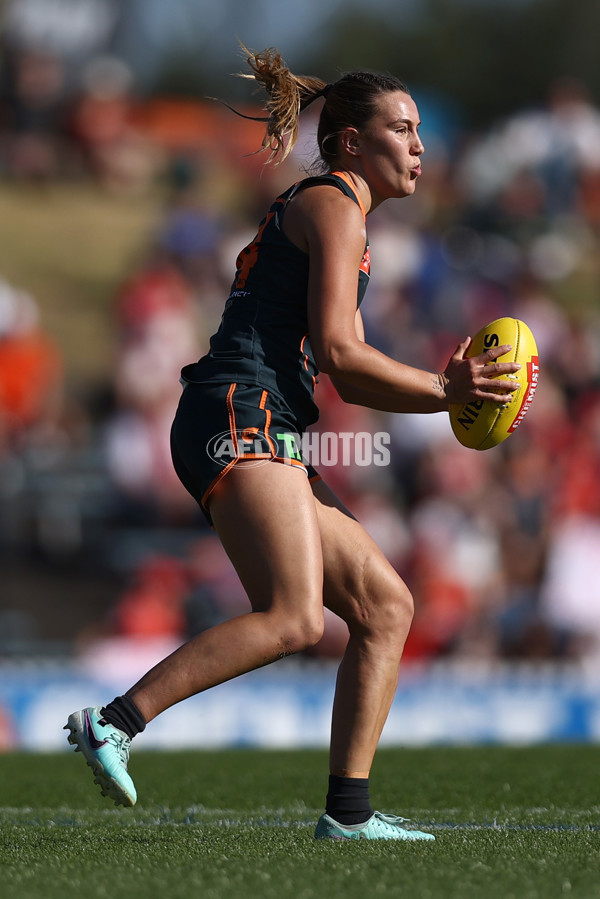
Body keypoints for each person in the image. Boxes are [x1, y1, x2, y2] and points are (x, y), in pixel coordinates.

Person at [65, 46, 520, 841]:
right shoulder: (336, 204)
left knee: (385, 605)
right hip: (237, 410)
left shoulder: (342, 211)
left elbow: (342, 363)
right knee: (294, 618)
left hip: (256, 416)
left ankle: (347, 814)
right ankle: (114, 721)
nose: (420, 145)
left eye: (420, 131)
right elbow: (343, 358)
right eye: (402, 129)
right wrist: (445, 392)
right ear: (350, 141)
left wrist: (437, 393)